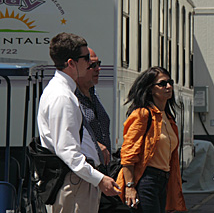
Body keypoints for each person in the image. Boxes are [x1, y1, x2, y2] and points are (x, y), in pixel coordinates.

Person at [37, 32, 120, 213]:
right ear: (71, 63)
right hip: (73, 184)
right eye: (86, 58)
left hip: (78, 181)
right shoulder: (62, 96)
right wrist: (99, 179)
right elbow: (68, 152)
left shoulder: (66, 92)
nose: (90, 63)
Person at [117, 67, 186, 213]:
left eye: (170, 82)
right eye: (162, 84)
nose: (168, 87)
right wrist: (130, 187)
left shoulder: (168, 118)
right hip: (147, 180)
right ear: (150, 89)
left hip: (163, 181)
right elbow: (128, 154)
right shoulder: (142, 114)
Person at [75, 48, 112, 168]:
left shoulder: (93, 94)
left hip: (103, 169)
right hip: (85, 169)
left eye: (99, 64)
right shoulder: (72, 97)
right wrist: (96, 145)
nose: (98, 69)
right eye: (93, 65)